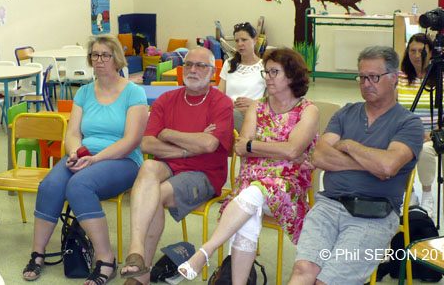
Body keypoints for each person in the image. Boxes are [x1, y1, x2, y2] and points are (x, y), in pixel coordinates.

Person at [177, 48, 319, 283]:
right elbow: (241, 147)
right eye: (266, 72)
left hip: (287, 188)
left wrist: (257, 146)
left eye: (275, 72)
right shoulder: (257, 106)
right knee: (249, 206)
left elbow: (292, 150)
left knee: (251, 194)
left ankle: (207, 250)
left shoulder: (308, 110)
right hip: (251, 183)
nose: (268, 77)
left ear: (292, 76)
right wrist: (277, 149)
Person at [288, 46, 424, 285]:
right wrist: (373, 163)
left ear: (394, 78)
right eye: (362, 77)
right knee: (302, 271)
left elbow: (388, 165)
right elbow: (319, 156)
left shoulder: (409, 123)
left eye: (374, 77)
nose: (366, 83)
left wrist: (349, 145)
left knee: (326, 282)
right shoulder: (345, 113)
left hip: (374, 214)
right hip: (328, 206)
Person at [21, 34, 148, 285]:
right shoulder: (85, 92)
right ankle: (38, 253)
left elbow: (131, 141)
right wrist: (75, 153)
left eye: (105, 55)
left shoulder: (134, 93)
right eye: (95, 55)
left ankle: (106, 259)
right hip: (85, 157)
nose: (99, 60)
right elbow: (73, 133)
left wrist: (95, 158)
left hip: (122, 160)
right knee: (50, 185)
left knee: (79, 186)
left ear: (117, 60)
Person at [119, 47, 234, 285]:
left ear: (212, 72)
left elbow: (210, 144)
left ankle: (140, 275)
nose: (192, 69)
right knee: (148, 169)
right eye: (189, 64)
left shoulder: (221, 103)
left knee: (154, 195)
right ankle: (137, 250)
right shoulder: (166, 99)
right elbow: (148, 144)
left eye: (200, 66)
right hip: (168, 166)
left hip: (204, 174)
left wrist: (167, 132)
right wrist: (188, 146)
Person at [397, 33, 444, 217]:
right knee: (394, 147)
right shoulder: (400, 76)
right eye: (412, 51)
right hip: (408, 134)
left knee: (424, 149)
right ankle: (408, 194)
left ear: (431, 52)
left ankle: (427, 195)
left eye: (422, 51)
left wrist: (433, 132)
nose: (417, 56)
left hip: (440, 134)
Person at [218, 22, 266, 132]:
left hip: (252, 114)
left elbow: (273, 99)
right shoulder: (229, 64)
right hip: (229, 111)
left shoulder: (265, 66)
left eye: (244, 40)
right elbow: (220, 94)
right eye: (237, 41)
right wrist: (229, 103)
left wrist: (253, 103)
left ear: (255, 40)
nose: (240, 44)